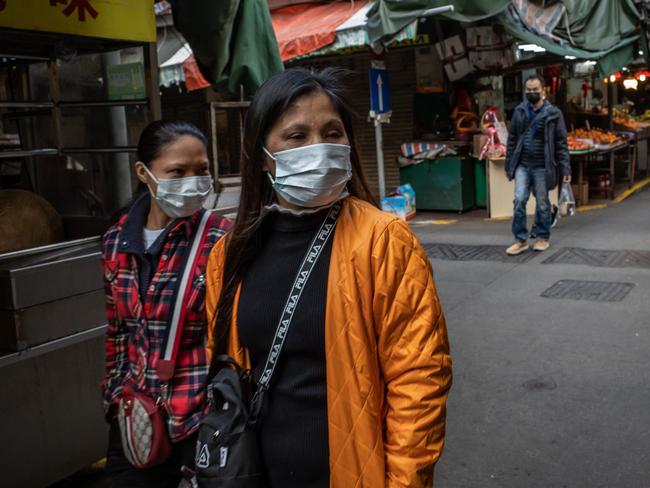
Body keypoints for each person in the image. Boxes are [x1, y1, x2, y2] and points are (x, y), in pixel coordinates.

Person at [204, 68, 452, 488]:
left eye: (332, 132)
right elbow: (225, 367)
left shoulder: (384, 241)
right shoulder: (228, 255)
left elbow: (419, 381)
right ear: (263, 153)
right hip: (254, 473)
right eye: (297, 136)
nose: (318, 148)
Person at [102, 120, 231, 487]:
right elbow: (118, 332)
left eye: (201, 170)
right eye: (178, 171)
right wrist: (114, 398)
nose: (193, 180)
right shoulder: (116, 242)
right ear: (144, 172)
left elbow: (236, 334)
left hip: (202, 421)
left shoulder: (222, 239)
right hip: (138, 419)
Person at [505, 74, 571, 255]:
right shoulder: (519, 111)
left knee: (542, 202)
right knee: (519, 200)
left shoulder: (554, 113)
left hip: (543, 165)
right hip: (522, 164)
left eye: (535, 90)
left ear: (544, 91)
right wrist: (509, 165)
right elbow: (512, 140)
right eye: (528, 90)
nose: (532, 93)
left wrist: (565, 168)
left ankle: (543, 237)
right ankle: (520, 240)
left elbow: (560, 143)